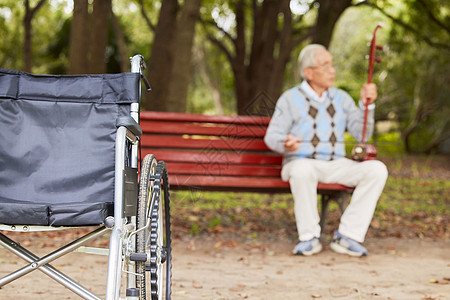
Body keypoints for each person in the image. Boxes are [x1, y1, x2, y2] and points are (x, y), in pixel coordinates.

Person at [264, 44, 388, 257]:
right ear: (308, 72)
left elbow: (362, 135)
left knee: (377, 170)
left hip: (335, 164)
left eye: (332, 65)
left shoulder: (341, 98)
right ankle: (309, 238)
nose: (332, 70)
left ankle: (348, 236)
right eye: (325, 66)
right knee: (302, 170)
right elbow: (272, 136)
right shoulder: (290, 98)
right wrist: (286, 142)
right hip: (301, 162)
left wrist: (367, 105)